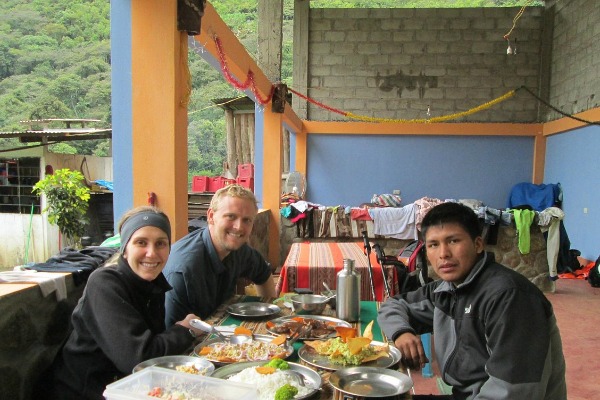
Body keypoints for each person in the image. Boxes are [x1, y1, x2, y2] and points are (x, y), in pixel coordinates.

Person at [377, 202, 566, 400]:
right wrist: (402, 333)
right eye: (433, 245)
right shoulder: (447, 288)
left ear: (477, 244)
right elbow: (393, 305)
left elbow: (513, 391)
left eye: (453, 241)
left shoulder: (509, 297)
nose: (443, 254)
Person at [48, 206, 204, 400]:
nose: (151, 253)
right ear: (125, 249)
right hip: (84, 392)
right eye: (141, 242)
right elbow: (139, 359)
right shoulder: (104, 283)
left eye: (161, 244)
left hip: (126, 387)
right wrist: (185, 329)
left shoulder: (153, 283)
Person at [163, 184, 276, 326]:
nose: (239, 227)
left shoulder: (239, 250)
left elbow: (263, 274)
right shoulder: (184, 270)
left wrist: (268, 316)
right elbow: (171, 334)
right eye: (231, 216)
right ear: (211, 216)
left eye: (247, 220)